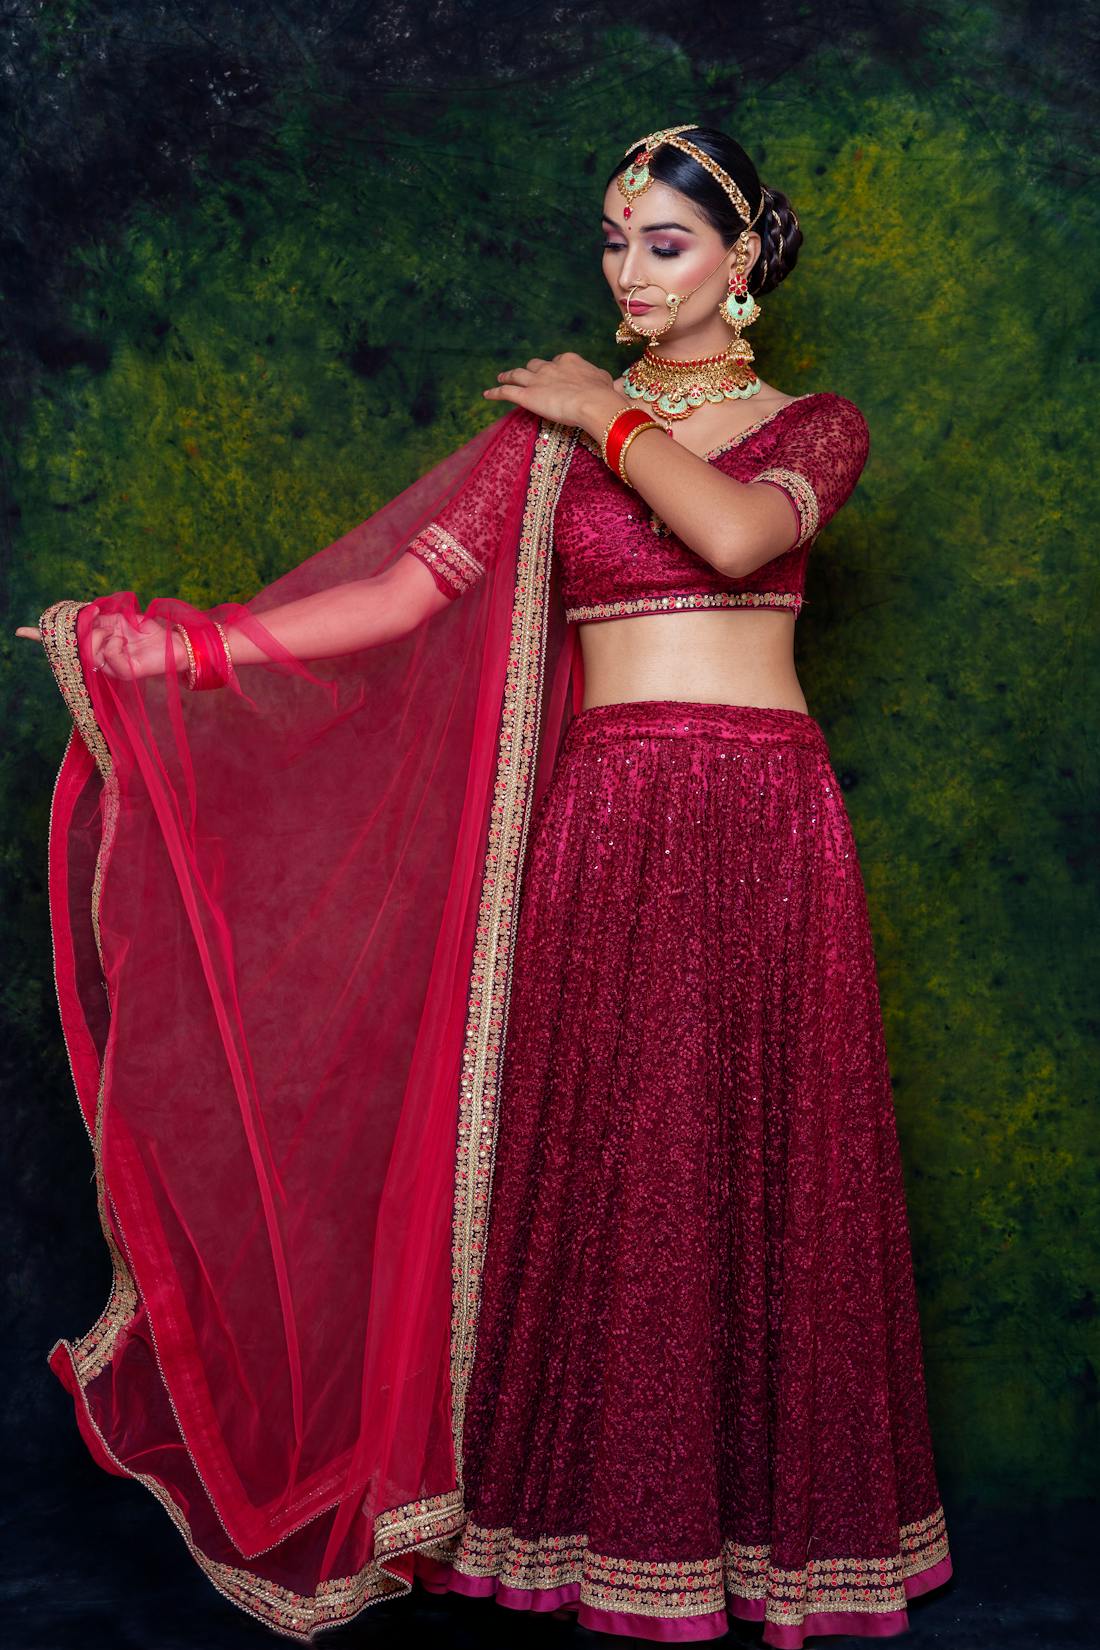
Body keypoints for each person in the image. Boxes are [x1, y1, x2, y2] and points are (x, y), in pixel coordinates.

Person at [18, 124, 953, 1646]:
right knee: (613, 1169)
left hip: (769, 826)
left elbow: (735, 538)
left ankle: (768, 1542)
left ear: (743, 263)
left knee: (761, 1163)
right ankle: (603, 1539)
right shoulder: (542, 441)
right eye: (613, 239)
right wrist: (181, 649)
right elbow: (395, 597)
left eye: (664, 243)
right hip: (607, 827)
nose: (629, 271)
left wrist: (607, 417)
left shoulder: (812, 424)